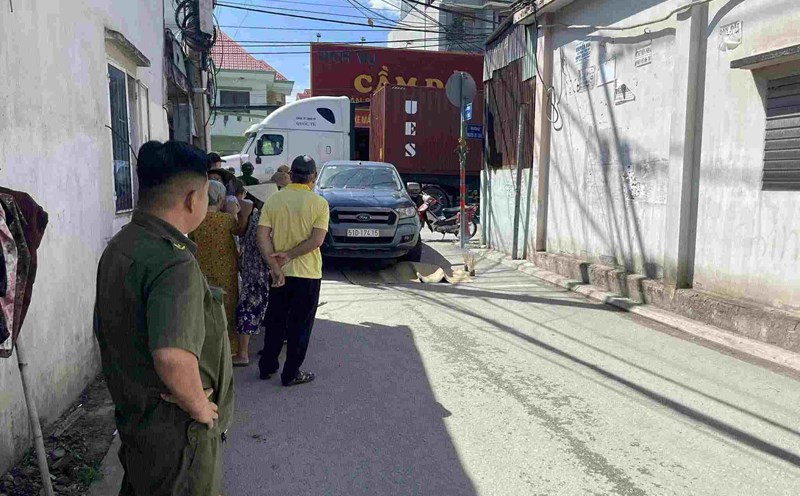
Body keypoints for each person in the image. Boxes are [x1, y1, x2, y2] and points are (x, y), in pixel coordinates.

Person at [93, 140, 233, 495]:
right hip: (177, 438)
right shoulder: (173, 262)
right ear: (192, 199)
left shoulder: (123, 243)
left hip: (139, 423)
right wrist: (201, 408)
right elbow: (171, 356)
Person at [257, 155, 329, 387]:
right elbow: (316, 240)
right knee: (300, 326)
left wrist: (275, 265)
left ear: (291, 176)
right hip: (307, 275)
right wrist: (290, 254)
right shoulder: (319, 204)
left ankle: (267, 367)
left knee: (276, 321)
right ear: (313, 177)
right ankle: (291, 373)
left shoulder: (274, 200)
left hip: (280, 274)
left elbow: (262, 237)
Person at [190, 180, 243, 359]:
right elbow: (239, 236)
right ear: (221, 198)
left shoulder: (196, 221)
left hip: (201, 269)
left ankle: (206, 349)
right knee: (227, 308)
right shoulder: (228, 220)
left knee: (205, 309)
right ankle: (229, 348)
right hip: (226, 269)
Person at [234, 179, 269, 366]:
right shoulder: (269, 217)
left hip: (254, 271)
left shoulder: (256, 217)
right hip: (267, 270)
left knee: (247, 310)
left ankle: (243, 354)